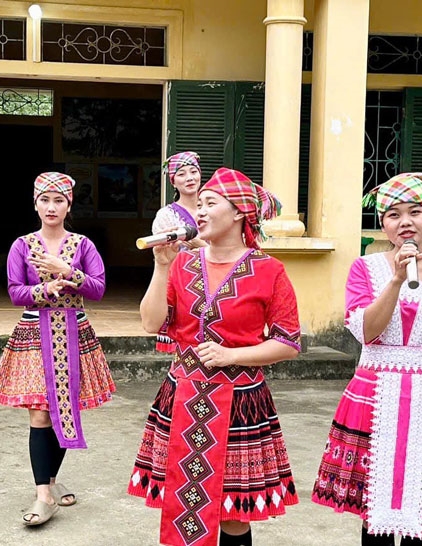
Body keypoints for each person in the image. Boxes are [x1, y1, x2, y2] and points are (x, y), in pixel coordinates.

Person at [312, 172, 422, 545]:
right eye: (393, 214)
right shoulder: (365, 269)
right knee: (373, 508)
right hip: (374, 391)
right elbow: (366, 332)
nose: (405, 222)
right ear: (383, 224)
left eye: (415, 212)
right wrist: (394, 280)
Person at [129, 167, 301, 546]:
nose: (200, 212)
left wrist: (231, 354)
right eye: (199, 204)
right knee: (181, 500)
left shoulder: (269, 270)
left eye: (210, 203)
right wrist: (160, 266)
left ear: (240, 212)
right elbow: (150, 322)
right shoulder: (182, 263)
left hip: (241, 401)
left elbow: (288, 341)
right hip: (183, 396)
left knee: (234, 515)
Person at [0, 172, 115, 527]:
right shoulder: (22, 245)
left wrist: (68, 272)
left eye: (59, 200)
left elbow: (98, 289)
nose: (51, 207)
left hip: (74, 333)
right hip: (34, 331)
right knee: (40, 414)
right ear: (35, 203)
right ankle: (43, 494)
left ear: (69, 204)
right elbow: (15, 291)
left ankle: (53, 482)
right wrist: (46, 290)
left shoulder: (83, 245)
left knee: (65, 406)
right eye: (44, 200)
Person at [152, 151, 205, 353]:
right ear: (173, 181)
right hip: (183, 283)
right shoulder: (166, 215)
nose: (189, 178)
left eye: (193, 171)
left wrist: (198, 243)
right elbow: (164, 254)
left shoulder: (213, 209)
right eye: (181, 174)